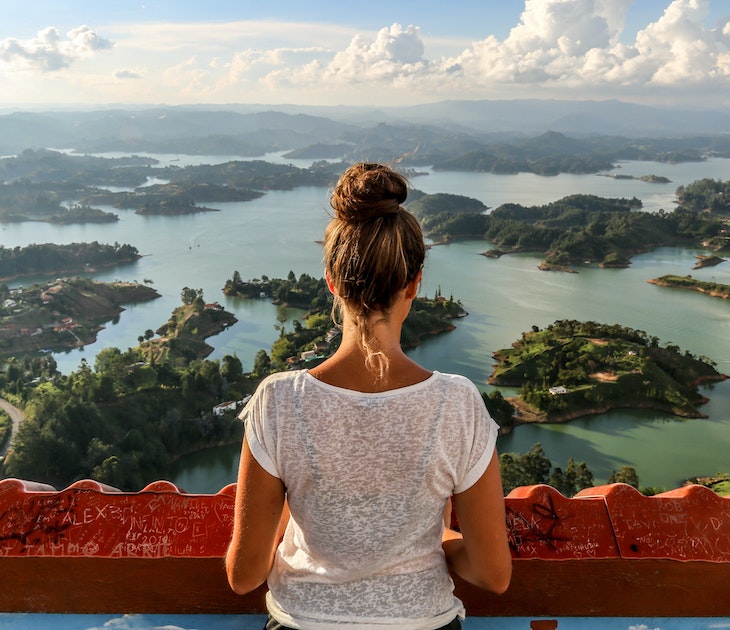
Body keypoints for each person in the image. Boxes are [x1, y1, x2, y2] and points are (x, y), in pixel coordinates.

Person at [225, 162, 512, 629]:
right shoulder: (457, 404)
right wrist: (437, 537)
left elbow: (244, 576)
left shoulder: (278, 401)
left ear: (332, 283)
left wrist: (291, 524)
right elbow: (492, 574)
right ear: (415, 285)